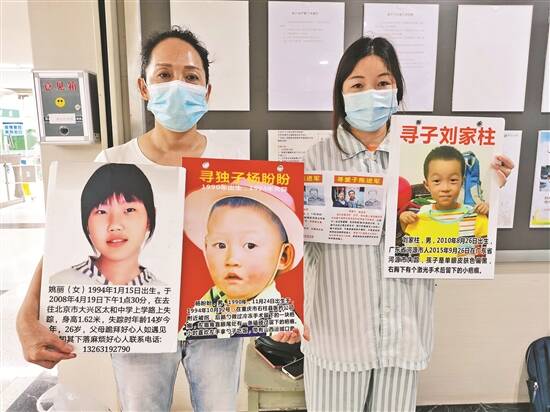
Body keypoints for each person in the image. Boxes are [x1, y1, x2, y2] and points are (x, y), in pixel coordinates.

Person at [17, 27, 245, 411]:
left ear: (206, 92)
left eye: (190, 77)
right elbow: (63, 241)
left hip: (217, 320)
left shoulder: (233, 163)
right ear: (144, 87)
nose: (178, 85)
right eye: (164, 74)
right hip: (138, 316)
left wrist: (281, 309)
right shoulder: (113, 161)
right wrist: (27, 313)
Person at [297, 37, 514, 411]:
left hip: (404, 329)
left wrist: (490, 190)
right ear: (341, 94)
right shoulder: (316, 158)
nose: (371, 94)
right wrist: (286, 309)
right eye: (357, 85)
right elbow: (299, 246)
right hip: (337, 333)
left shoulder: (420, 154)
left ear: (397, 89)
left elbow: (455, 225)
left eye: (382, 83)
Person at [180, 183, 304, 339]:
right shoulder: (205, 306)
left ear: (284, 256)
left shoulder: (285, 328)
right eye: (220, 245)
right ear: (206, 248)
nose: (232, 259)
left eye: (250, 245)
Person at [50, 163, 162, 286]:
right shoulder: (59, 284)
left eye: (129, 210)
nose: (115, 225)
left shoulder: (163, 291)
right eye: (101, 212)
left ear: (149, 219)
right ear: (87, 223)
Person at [399, 146, 489, 262]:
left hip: (461, 272)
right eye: (437, 181)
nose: (445, 188)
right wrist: (403, 222)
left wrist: (489, 213)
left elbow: (485, 250)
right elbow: (410, 248)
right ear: (427, 185)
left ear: (462, 182)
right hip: (428, 272)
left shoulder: (473, 215)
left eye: (453, 180)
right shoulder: (420, 214)